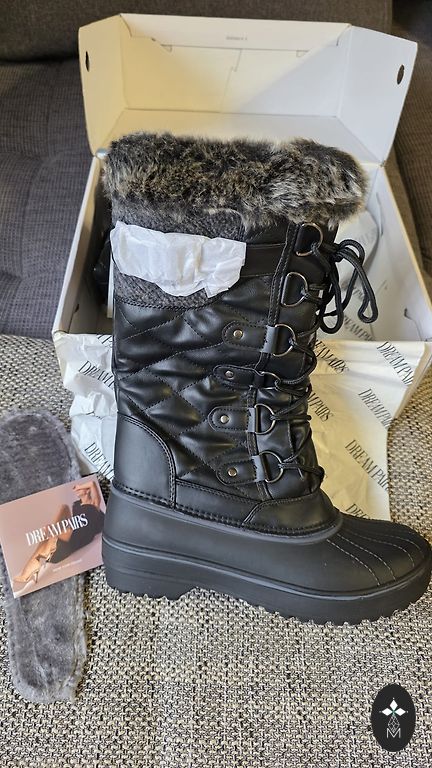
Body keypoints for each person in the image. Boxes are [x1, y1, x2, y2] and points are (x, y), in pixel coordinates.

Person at [13, 480, 104, 589]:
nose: (77, 490)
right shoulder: (76, 504)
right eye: (77, 489)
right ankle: (51, 531)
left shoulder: (94, 503)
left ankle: (27, 572)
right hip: (72, 531)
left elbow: (92, 483)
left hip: (83, 535)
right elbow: (71, 520)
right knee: (63, 507)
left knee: (49, 538)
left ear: (87, 491)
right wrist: (60, 525)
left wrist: (79, 486)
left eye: (80, 489)